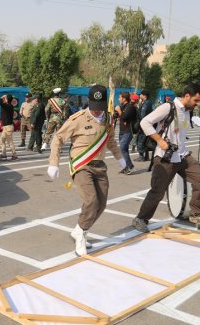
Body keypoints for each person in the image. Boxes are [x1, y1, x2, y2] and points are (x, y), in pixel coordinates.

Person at [47, 85, 126, 256]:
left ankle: (79, 228)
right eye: (94, 108)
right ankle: (82, 234)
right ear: (89, 103)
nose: (97, 112)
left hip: (100, 166)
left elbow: (110, 140)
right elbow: (58, 138)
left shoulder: (109, 119)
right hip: (81, 165)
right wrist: (54, 163)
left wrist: (120, 157)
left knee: (102, 204)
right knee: (91, 201)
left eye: (100, 108)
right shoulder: (78, 119)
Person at [132, 83, 200, 233]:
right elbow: (145, 122)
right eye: (196, 100)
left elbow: (178, 132)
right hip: (165, 157)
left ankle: (196, 215)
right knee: (158, 191)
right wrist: (160, 140)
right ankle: (141, 218)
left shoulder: (188, 112)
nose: (198, 104)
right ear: (187, 96)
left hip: (182, 155)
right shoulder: (168, 107)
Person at [114, 92, 136, 175]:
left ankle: (129, 166)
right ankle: (126, 166)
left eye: (120, 97)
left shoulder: (130, 107)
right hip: (122, 130)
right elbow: (118, 116)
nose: (119, 99)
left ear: (124, 98)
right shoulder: (122, 106)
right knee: (124, 149)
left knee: (123, 147)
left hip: (128, 131)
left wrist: (119, 111)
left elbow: (125, 117)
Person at [0, 94, 18, 161]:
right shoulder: (7, 105)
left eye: (5, 98)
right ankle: (4, 155)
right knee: (2, 140)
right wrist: (4, 98)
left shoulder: (8, 106)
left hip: (8, 127)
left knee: (10, 142)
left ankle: (14, 156)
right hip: (6, 127)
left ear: (7, 99)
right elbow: (1, 104)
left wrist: (2, 97)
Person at [135, 90, 153, 162]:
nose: (140, 96)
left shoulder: (146, 103)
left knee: (140, 139)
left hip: (143, 124)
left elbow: (143, 114)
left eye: (141, 94)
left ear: (144, 95)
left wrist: (141, 124)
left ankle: (141, 156)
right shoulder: (149, 102)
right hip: (148, 123)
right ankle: (146, 156)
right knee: (145, 140)